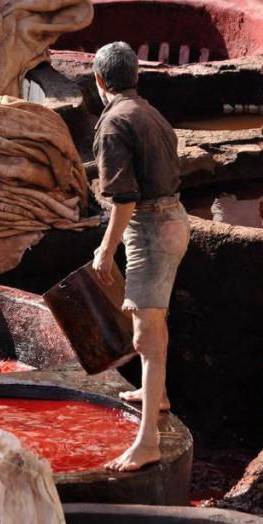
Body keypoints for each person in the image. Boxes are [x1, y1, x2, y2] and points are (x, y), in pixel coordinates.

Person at [90, 41, 190, 472]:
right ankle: (159, 396)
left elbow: (125, 201)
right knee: (154, 321)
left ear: (99, 81)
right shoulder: (151, 113)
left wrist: (106, 248)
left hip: (149, 229)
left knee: (144, 341)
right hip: (175, 220)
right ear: (136, 76)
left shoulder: (114, 123)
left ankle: (146, 442)